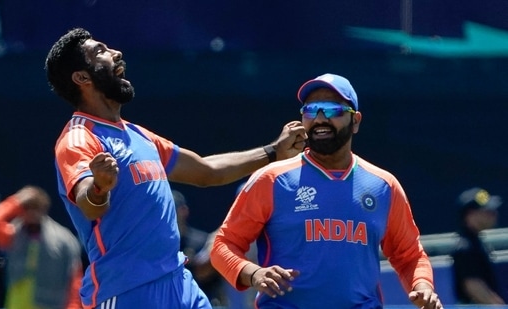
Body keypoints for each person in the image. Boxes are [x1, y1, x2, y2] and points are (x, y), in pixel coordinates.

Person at [44, 27, 306, 309]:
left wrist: (272, 152)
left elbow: (207, 171)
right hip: (126, 292)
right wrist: (99, 187)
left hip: (179, 285)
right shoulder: (78, 138)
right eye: (100, 52)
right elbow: (88, 204)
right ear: (82, 77)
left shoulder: (139, 136)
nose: (115, 53)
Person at [210, 73, 444, 309]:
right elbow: (223, 245)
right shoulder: (271, 179)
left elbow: (409, 255)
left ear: (356, 121)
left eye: (332, 110)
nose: (320, 118)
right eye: (311, 110)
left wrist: (423, 287)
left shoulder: (384, 185)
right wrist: (253, 274)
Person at [0, 185, 83, 309]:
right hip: (17, 303)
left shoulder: (64, 239)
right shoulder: (14, 233)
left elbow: (74, 279)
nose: (31, 213)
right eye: (26, 208)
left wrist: (73, 307)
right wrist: (16, 201)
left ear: (43, 209)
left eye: (35, 208)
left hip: (51, 305)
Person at [451, 187, 506, 304]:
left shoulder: (476, 243)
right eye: (487, 211)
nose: (493, 214)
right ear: (470, 215)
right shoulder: (465, 248)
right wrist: (497, 306)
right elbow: (473, 285)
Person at [173, 189, 226, 306]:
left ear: (183, 211)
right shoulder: (160, 245)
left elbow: (203, 272)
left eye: (172, 210)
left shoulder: (202, 241)